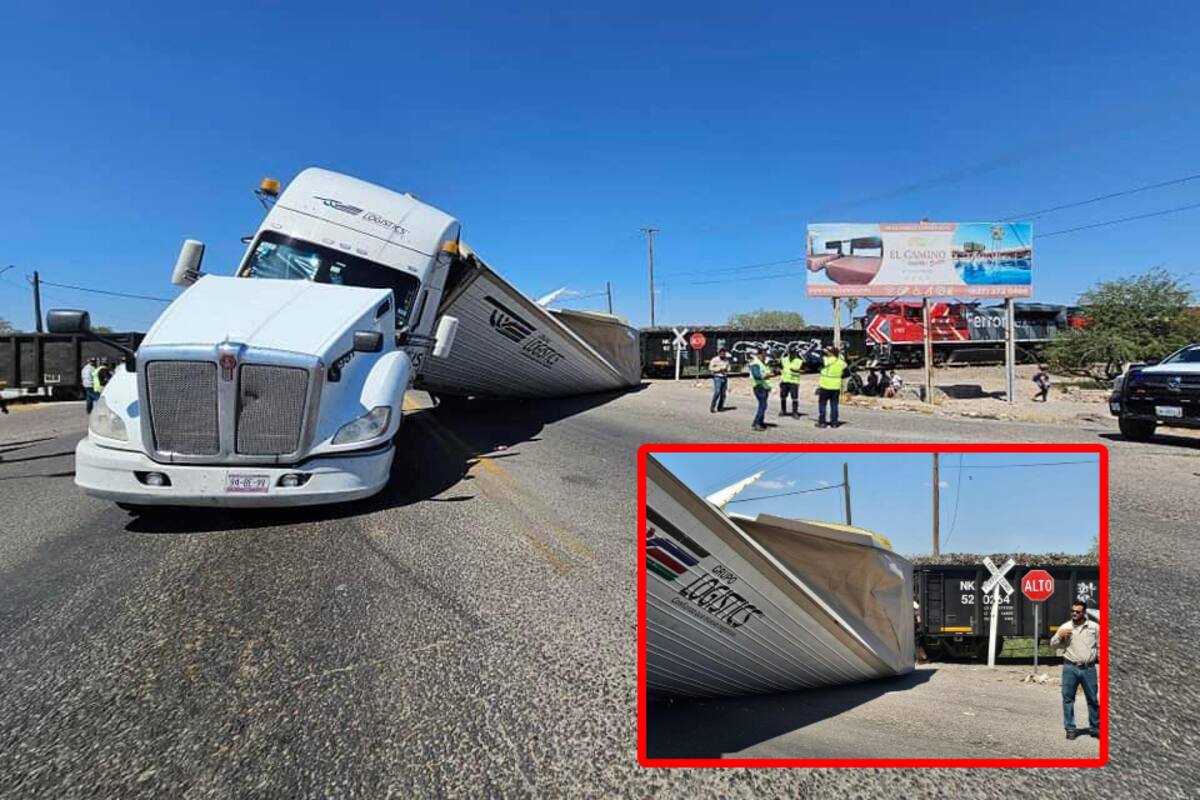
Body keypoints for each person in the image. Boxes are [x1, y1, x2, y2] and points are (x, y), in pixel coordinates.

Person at [1049, 598, 1101, 740]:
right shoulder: (1065, 627)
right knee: (1068, 699)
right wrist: (1059, 636)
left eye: (1077, 611)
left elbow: (1100, 645)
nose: (1074, 613)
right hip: (1070, 668)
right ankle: (1070, 729)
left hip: (1089, 668)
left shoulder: (1094, 627)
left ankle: (1095, 728)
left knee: (1092, 699)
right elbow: (1052, 645)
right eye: (1072, 611)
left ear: (1084, 612)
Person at [815, 345, 846, 428]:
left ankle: (822, 422)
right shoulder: (841, 362)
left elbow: (814, 360)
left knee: (822, 404)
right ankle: (834, 423)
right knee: (834, 405)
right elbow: (847, 373)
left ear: (831, 353)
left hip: (825, 386)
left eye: (828, 351)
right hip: (836, 387)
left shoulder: (825, 360)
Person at [746, 347, 772, 431]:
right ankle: (756, 423)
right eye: (763, 354)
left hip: (764, 387)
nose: (765, 356)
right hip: (759, 387)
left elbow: (764, 373)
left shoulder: (762, 363)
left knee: (763, 405)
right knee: (762, 405)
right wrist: (767, 376)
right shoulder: (755, 363)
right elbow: (756, 375)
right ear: (759, 355)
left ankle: (760, 422)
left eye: (765, 354)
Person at [778, 345, 804, 418]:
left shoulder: (799, 361)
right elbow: (780, 367)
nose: (791, 355)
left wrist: (798, 370)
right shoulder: (784, 360)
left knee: (794, 397)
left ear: (795, 353)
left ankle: (795, 412)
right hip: (785, 381)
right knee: (783, 396)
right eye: (790, 353)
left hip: (794, 382)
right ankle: (783, 410)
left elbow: (804, 370)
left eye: (793, 353)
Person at [708, 348, 731, 413]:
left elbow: (729, 368)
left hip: (724, 377)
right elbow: (710, 368)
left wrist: (726, 370)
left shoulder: (726, 360)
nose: (723, 355)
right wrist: (718, 369)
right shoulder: (715, 360)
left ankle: (720, 407)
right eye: (721, 353)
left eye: (724, 353)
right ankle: (712, 407)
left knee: (723, 394)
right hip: (717, 377)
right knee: (717, 392)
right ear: (719, 353)